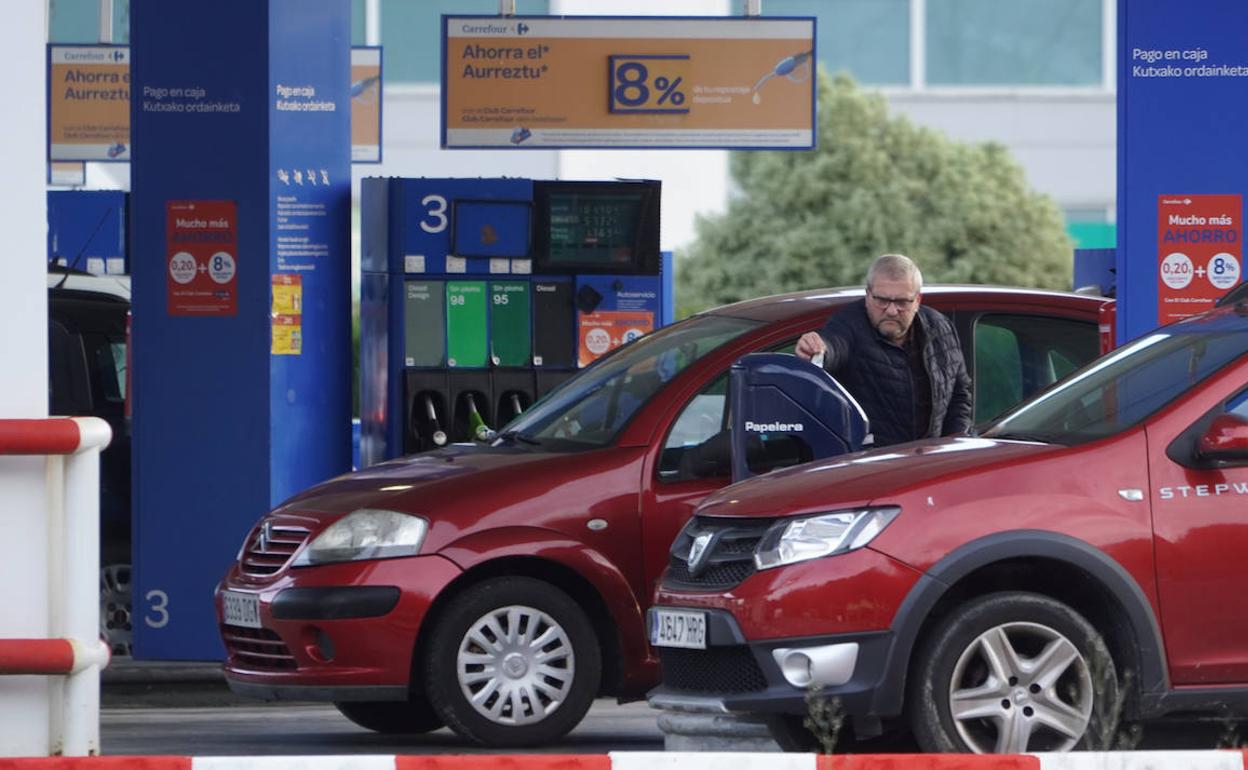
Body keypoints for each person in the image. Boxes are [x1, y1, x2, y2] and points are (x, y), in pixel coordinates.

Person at [796, 253, 972, 447]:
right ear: (867, 296)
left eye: (902, 302)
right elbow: (834, 345)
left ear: (918, 300)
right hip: (876, 467)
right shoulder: (848, 324)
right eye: (881, 300)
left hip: (933, 465)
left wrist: (955, 443)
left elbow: (959, 394)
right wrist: (816, 350)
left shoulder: (940, 328)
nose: (891, 310)